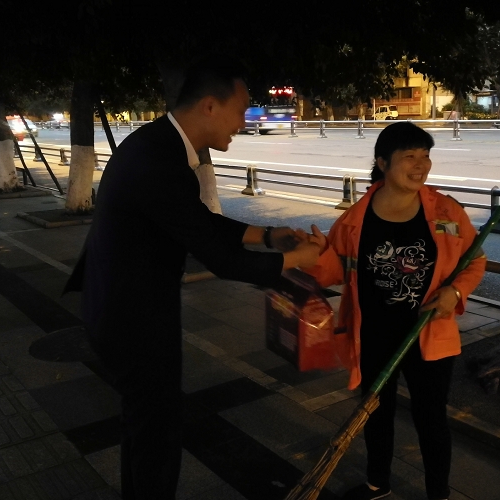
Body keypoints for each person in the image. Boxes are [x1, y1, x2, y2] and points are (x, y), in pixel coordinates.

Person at [63, 55, 320, 499]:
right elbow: (223, 260)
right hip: (133, 318)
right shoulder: (159, 160)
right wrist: (298, 259)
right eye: (240, 110)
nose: (243, 122)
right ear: (209, 106)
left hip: (120, 307)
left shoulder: (156, 144)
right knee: (157, 435)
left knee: (144, 426)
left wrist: (267, 234)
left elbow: (196, 221)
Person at [304, 122, 486, 500]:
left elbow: (475, 260)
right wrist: (317, 253)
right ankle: (378, 484)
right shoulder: (355, 220)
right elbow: (335, 272)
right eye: (410, 156)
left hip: (428, 334)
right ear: (383, 162)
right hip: (373, 334)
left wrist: (454, 292)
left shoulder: (446, 211)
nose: (421, 165)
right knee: (375, 412)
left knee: (431, 417)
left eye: (426, 156)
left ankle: (438, 494)